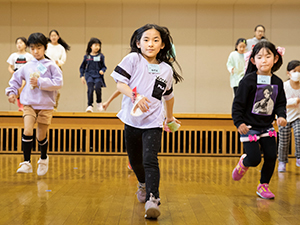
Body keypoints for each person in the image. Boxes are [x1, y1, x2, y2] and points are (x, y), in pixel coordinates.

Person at [110, 24, 183, 219]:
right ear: (138, 42)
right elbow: (120, 84)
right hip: (132, 120)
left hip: (153, 122)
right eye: (146, 39)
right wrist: (136, 96)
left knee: (150, 159)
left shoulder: (166, 70)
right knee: (135, 161)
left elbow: (168, 96)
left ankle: (153, 198)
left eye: (155, 40)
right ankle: (142, 183)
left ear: (162, 45)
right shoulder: (132, 59)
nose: (150, 44)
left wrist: (169, 118)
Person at [232, 40, 287, 199]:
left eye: (268, 56)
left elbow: (280, 103)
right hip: (248, 127)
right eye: (260, 57)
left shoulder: (277, 82)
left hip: (267, 127)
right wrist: (239, 123)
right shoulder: (248, 81)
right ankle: (244, 162)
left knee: (271, 156)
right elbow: (238, 104)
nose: (264, 60)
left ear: (275, 59)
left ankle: (263, 185)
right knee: (255, 159)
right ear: (253, 60)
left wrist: (281, 116)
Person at [5, 32, 63, 175]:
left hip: (45, 106)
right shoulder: (26, 66)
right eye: (32, 48)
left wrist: (40, 82)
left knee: (41, 136)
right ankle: (26, 162)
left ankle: (43, 159)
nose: (35, 51)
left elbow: (58, 83)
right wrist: (11, 92)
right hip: (29, 104)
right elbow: (15, 80)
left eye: (38, 48)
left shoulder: (51, 65)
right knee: (27, 130)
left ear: (45, 48)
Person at [278, 60, 300, 172]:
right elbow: (279, 102)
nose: (297, 73)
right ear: (288, 73)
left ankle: (299, 157)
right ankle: (282, 161)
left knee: (299, 135)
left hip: (298, 116)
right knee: (284, 141)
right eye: (295, 71)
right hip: (284, 117)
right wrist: (294, 101)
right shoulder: (284, 86)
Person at [80, 37, 107, 113]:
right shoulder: (87, 57)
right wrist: (82, 76)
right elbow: (82, 67)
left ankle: (99, 103)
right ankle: (90, 105)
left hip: (98, 75)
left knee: (98, 87)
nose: (97, 47)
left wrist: (102, 70)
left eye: (98, 45)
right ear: (91, 46)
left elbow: (104, 66)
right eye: (95, 45)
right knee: (90, 88)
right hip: (89, 75)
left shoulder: (101, 56)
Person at [7, 37, 34, 111]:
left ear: (25, 45)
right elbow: (9, 67)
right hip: (17, 75)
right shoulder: (13, 55)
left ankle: (23, 105)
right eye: (17, 43)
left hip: (26, 76)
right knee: (18, 90)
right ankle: (20, 104)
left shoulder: (29, 56)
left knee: (22, 87)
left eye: (21, 43)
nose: (19, 45)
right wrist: (12, 72)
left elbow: (32, 66)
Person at [46, 30, 70, 111]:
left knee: (55, 88)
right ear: (49, 37)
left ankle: (54, 106)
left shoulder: (61, 48)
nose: (53, 37)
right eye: (52, 36)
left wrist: (58, 62)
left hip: (57, 68)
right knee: (45, 86)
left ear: (58, 37)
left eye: (55, 35)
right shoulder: (46, 46)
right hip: (46, 69)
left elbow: (63, 60)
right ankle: (45, 105)